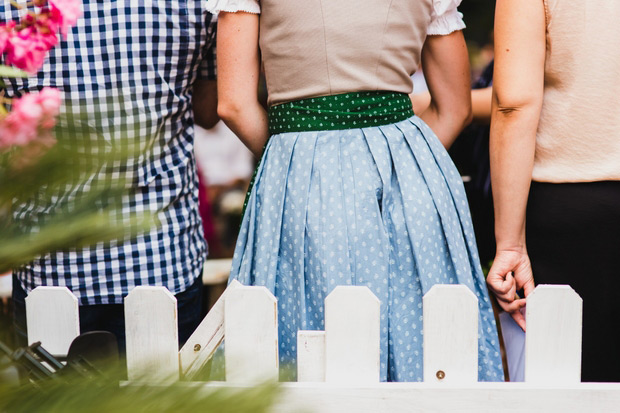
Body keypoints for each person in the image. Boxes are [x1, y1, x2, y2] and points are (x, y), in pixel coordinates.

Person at [209, 0, 504, 381]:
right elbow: (455, 108)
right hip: (409, 178)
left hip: (301, 179)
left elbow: (233, 105)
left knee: (306, 342)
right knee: (426, 343)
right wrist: (408, 162)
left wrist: (290, 160)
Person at [2, 0, 218, 352]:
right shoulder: (196, 4)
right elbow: (209, 111)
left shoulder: (13, 7)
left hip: (51, 266)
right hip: (161, 257)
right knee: (161, 405)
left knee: (56, 407)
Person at [487, 0, 620, 382]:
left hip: (570, 210)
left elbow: (513, 103)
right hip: (573, 211)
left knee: (571, 389)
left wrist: (509, 245)